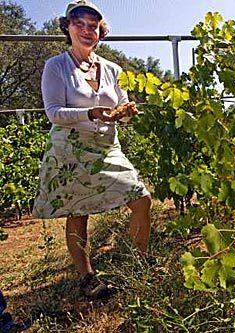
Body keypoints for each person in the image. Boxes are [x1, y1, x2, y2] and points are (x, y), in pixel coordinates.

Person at [32, 0, 152, 299]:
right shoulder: (56, 66)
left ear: (101, 32)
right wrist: (90, 113)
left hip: (107, 146)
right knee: (78, 211)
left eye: (93, 26)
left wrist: (125, 111)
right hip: (70, 150)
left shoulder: (113, 69)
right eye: (79, 24)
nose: (87, 30)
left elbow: (120, 104)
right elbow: (54, 112)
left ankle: (139, 265)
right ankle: (87, 277)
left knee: (141, 199)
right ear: (67, 28)